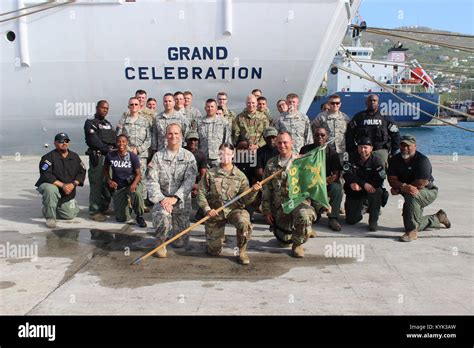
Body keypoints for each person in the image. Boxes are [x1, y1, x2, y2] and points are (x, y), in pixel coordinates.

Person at [197, 143, 262, 265]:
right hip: (215, 213)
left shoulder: (240, 176)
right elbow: (201, 194)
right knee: (214, 251)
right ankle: (219, 238)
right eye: (222, 153)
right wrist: (207, 209)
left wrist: (254, 191)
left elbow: (246, 200)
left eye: (228, 153)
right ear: (218, 154)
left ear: (233, 155)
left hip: (234, 210)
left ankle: (241, 250)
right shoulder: (210, 174)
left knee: (244, 221)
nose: (225, 156)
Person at [262, 132, 316, 258]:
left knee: (304, 215)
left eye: (285, 142)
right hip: (280, 207)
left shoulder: (301, 161)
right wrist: (267, 211)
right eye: (279, 142)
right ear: (276, 144)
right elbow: (266, 189)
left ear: (291, 143)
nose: (282, 145)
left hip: (297, 203)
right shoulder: (271, 164)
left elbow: (311, 184)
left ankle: (298, 243)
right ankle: (299, 230)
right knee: (283, 241)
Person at [387, 135, 451, 242]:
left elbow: (421, 183)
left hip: (428, 191)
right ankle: (438, 217)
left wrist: (400, 188)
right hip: (409, 191)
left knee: (411, 194)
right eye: (402, 145)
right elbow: (391, 179)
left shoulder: (422, 160)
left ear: (415, 146)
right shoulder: (395, 159)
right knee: (413, 221)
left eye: (408, 146)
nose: (405, 148)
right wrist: (403, 186)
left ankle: (412, 232)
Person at [147, 124, 197, 256]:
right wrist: (163, 200)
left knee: (180, 243)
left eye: (176, 133)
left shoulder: (189, 157)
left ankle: (174, 230)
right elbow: (152, 181)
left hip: (181, 202)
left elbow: (189, 181)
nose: (173, 136)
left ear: (181, 136)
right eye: (170, 133)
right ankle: (160, 241)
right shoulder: (157, 157)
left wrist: (175, 198)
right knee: (162, 215)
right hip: (163, 201)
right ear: (166, 136)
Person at [35, 133, 86, 228]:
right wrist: (63, 185)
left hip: (67, 189)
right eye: (61, 141)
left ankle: (51, 207)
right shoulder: (48, 158)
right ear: (55, 143)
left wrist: (73, 184)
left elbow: (82, 172)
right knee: (50, 190)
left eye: (66, 141)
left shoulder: (74, 157)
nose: (64, 143)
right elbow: (46, 175)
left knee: (69, 215)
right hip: (52, 185)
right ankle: (50, 217)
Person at [300, 126, 343, 231]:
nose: (319, 137)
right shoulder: (305, 150)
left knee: (337, 188)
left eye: (322, 135)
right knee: (314, 218)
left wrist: (328, 180)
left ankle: (333, 218)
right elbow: (299, 169)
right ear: (313, 136)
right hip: (309, 183)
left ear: (327, 137)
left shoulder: (332, 153)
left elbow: (336, 174)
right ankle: (317, 211)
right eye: (317, 135)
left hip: (326, 183)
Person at [345, 94, 401, 167]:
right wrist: (353, 150)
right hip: (362, 151)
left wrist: (393, 152)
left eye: (374, 100)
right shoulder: (359, 117)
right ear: (366, 103)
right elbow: (349, 134)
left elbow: (395, 135)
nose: (372, 102)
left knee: (381, 173)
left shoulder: (385, 117)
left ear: (378, 103)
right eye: (370, 100)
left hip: (380, 150)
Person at [103, 135, 146, 227]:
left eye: (123, 141)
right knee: (121, 218)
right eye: (119, 141)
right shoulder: (110, 155)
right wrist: (109, 181)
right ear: (116, 143)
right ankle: (128, 207)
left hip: (132, 183)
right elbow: (105, 169)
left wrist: (134, 184)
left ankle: (139, 216)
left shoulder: (133, 156)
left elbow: (138, 174)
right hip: (119, 186)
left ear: (127, 143)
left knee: (137, 193)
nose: (121, 144)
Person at [343, 137, 385, 231]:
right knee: (351, 220)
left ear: (371, 148)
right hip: (355, 190)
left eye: (365, 147)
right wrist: (353, 184)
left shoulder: (377, 160)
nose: (363, 150)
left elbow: (380, 179)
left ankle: (373, 221)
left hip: (370, 189)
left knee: (377, 191)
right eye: (360, 147)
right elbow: (347, 175)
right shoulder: (350, 158)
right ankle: (363, 207)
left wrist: (364, 185)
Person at [84, 100, 116, 222]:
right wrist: (107, 149)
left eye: (107, 108)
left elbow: (113, 139)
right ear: (97, 108)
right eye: (102, 108)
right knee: (96, 184)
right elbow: (93, 140)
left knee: (107, 183)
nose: (105, 110)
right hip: (98, 157)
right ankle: (94, 211)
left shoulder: (107, 124)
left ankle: (104, 207)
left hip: (109, 157)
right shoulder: (90, 122)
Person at [116, 97, 152, 204]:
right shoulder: (123, 121)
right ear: (128, 107)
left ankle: (141, 201)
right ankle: (128, 200)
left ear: (140, 106)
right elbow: (119, 137)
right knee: (127, 176)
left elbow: (149, 138)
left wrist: (139, 149)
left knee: (141, 177)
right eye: (131, 104)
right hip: (126, 154)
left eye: (136, 104)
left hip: (141, 154)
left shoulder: (145, 121)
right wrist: (128, 149)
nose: (134, 106)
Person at [311, 94, 350, 161]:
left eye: (337, 103)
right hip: (326, 150)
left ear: (340, 104)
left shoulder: (345, 118)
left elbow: (349, 133)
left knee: (339, 170)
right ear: (328, 104)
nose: (335, 105)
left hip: (341, 150)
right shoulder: (321, 117)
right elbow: (313, 131)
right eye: (332, 103)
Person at [196, 98, 231, 168]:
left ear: (216, 108)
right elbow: (196, 140)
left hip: (218, 158)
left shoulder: (224, 122)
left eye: (212, 106)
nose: (210, 108)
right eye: (208, 107)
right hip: (203, 157)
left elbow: (227, 141)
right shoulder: (199, 122)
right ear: (205, 108)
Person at [184, 130, 208, 220]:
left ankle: (200, 215)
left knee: (208, 191)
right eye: (190, 140)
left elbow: (203, 175)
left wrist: (197, 187)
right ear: (186, 140)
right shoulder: (180, 152)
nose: (193, 142)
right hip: (180, 182)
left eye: (195, 140)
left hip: (195, 182)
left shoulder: (201, 155)